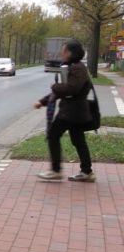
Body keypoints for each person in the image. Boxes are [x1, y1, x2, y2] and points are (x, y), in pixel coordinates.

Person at [33, 39, 94, 181]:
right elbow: (64, 90)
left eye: (64, 50)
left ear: (71, 52)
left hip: (71, 112)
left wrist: (54, 86)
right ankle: (87, 172)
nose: (62, 52)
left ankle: (56, 171)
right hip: (75, 112)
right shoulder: (72, 66)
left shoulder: (77, 68)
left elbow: (71, 89)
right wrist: (43, 102)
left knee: (53, 135)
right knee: (78, 140)